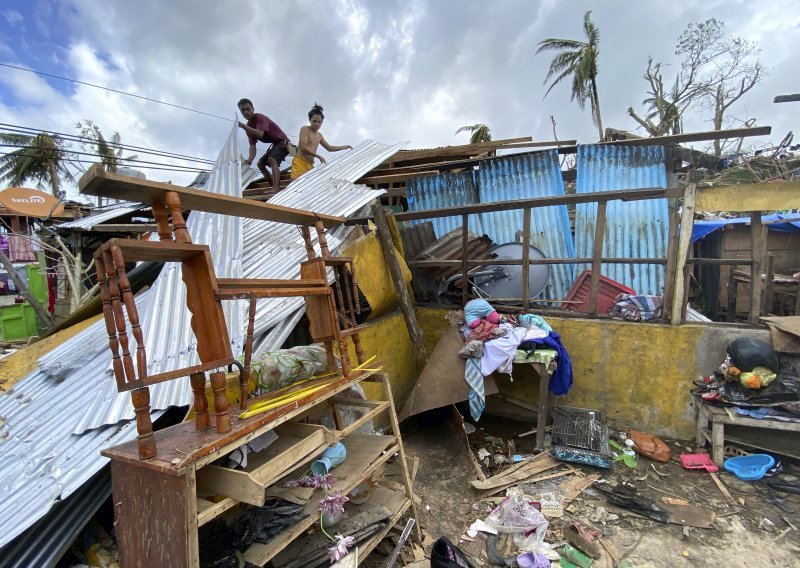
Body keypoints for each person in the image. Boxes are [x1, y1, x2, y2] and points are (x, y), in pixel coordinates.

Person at [237, 98, 289, 193]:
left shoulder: (260, 118)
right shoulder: (249, 126)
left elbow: (259, 134)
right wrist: (250, 159)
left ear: (253, 109)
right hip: (275, 145)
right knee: (260, 164)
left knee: (272, 159)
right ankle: (272, 185)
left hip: (284, 143)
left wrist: (243, 126)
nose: (246, 112)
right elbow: (252, 146)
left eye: (248, 109)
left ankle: (275, 188)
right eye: (243, 110)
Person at [291, 103, 352, 179]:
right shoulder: (305, 129)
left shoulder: (319, 135)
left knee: (309, 187)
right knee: (296, 186)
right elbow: (303, 147)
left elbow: (329, 148)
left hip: (310, 164)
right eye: (314, 121)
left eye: (319, 122)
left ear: (322, 122)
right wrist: (318, 156)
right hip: (300, 162)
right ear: (310, 120)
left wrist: (344, 147)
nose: (317, 124)